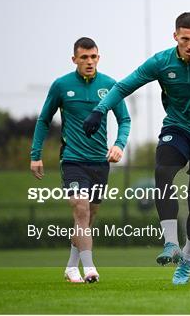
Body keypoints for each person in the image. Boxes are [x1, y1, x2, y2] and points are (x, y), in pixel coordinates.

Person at [83, 12, 190, 285]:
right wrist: (99, 110)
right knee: (163, 171)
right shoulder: (161, 62)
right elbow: (124, 86)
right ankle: (170, 244)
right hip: (177, 129)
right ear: (175, 36)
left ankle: (187, 257)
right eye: (185, 39)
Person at [30, 37, 131, 283]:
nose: (89, 61)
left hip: (99, 162)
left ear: (99, 58)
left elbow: (124, 120)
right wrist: (36, 155)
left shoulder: (110, 86)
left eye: (93, 57)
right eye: (84, 57)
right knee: (81, 210)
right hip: (73, 159)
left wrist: (119, 144)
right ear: (74, 59)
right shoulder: (61, 86)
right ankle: (90, 269)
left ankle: (71, 266)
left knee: (89, 216)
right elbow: (44, 120)